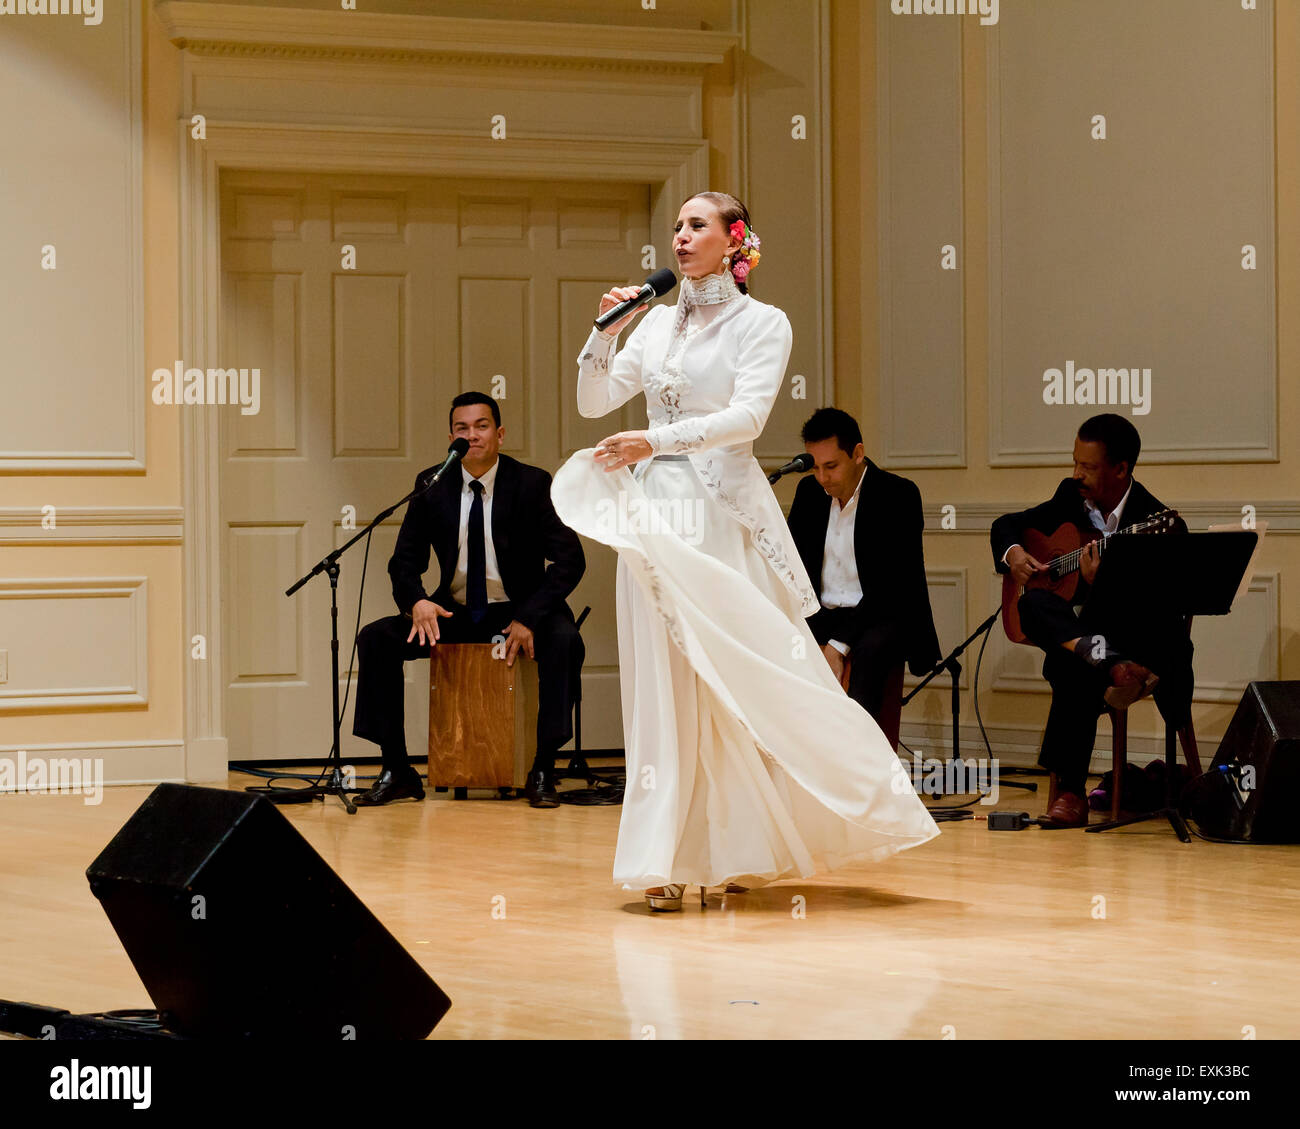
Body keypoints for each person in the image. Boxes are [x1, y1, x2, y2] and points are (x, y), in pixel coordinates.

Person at [550, 191, 938, 911]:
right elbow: (594, 402)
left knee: (734, 682)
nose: (681, 235)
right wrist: (607, 333)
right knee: (661, 685)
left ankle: (735, 846)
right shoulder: (657, 324)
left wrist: (654, 440)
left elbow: (748, 418)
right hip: (654, 514)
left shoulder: (763, 322)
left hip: (720, 513)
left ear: (735, 239)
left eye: (697, 224)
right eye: (676, 225)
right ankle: (662, 856)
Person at [351, 392, 586, 808]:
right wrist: (416, 603)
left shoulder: (532, 483)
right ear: (451, 437)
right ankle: (397, 769)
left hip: (519, 611)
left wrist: (530, 617)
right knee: (377, 638)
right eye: (462, 428)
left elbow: (570, 560)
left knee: (565, 640)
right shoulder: (432, 484)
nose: (472, 436)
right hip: (454, 611)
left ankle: (544, 767)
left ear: (499, 434)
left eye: (481, 426)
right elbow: (403, 563)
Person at [991, 413, 1191, 828]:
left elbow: (1164, 615)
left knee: (1072, 662)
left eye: (1089, 467)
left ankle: (1071, 792)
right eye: (1075, 462)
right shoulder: (1071, 497)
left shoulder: (1160, 523)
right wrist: (1014, 555)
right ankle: (1109, 663)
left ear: (1121, 469)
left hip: (1140, 643)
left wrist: (1105, 586)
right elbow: (1007, 525)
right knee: (1033, 606)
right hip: (1098, 648)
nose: (1077, 474)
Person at [786, 407, 941, 727]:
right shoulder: (809, 493)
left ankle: (859, 760)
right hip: (823, 611)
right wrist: (813, 634)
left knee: (871, 651)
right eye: (815, 467)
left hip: (879, 612)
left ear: (857, 454)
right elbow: (794, 567)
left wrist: (838, 646)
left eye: (832, 466)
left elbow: (892, 586)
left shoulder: (898, 494)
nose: (823, 478)